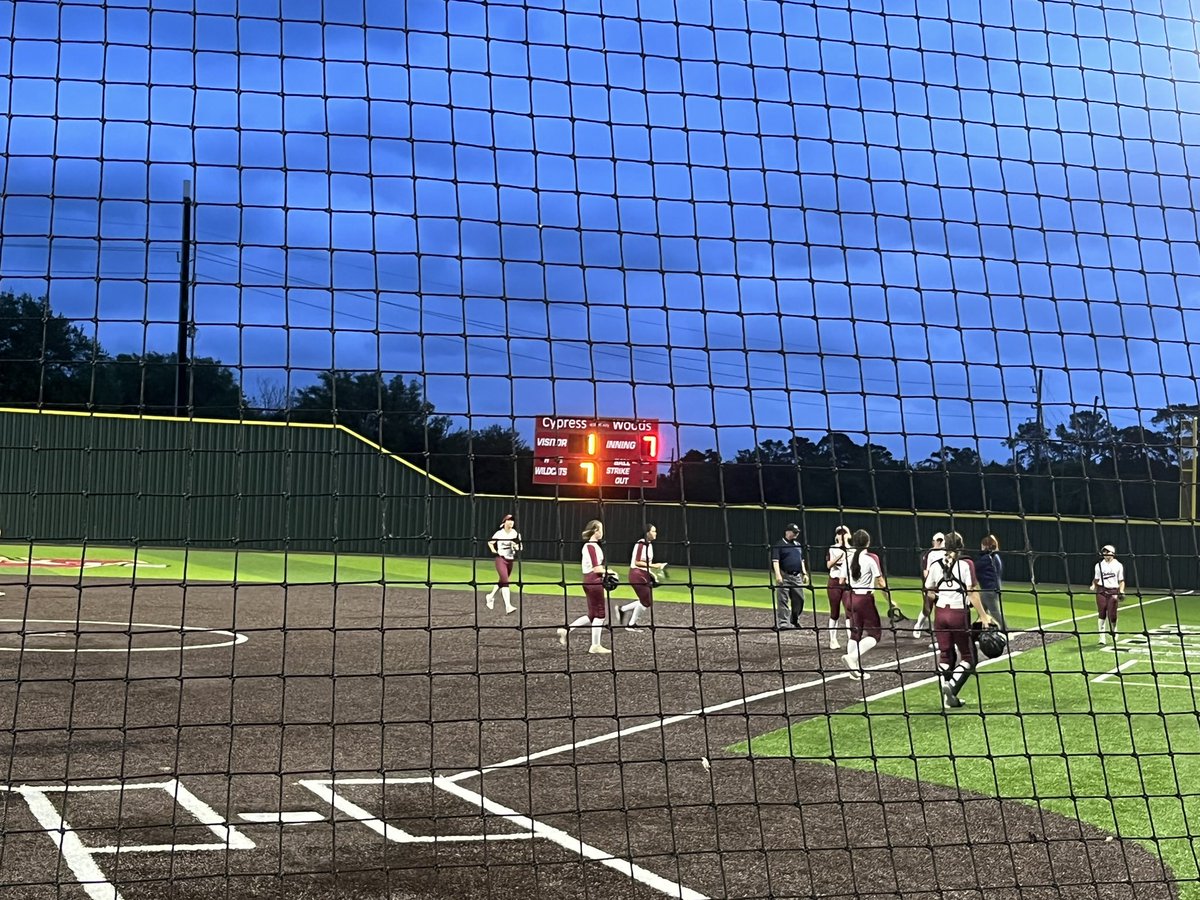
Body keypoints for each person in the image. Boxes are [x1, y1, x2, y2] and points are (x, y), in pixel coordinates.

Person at [924, 532, 995, 709]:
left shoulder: (934, 564)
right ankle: (952, 687)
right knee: (969, 657)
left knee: (945, 655)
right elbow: (971, 592)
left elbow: (930, 592)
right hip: (958, 614)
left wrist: (927, 612)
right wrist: (984, 617)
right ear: (961, 545)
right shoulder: (966, 564)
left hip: (940, 614)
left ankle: (947, 699)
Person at [557, 519, 613, 655]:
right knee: (600, 615)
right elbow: (596, 568)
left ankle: (566, 629)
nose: (602, 531)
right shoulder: (591, 546)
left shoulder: (592, 546)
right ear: (595, 530)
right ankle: (595, 645)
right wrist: (610, 572)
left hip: (589, 580)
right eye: (600, 529)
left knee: (592, 614)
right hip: (594, 581)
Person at [841, 529, 887, 680]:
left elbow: (842, 581)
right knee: (875, 634)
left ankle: (854, 671)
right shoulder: (870, 559)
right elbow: (880, 582)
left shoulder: (848, 558)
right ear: (868, 542)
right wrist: (890, 601)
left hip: (850, 598)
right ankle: (853, 657)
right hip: (864, 600)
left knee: (855, 634)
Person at [620, 524, 666, 631]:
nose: (656, 533)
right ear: (647, 533)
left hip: (642, 574)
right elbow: (637, 562)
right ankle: (631, 624)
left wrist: (652, 574)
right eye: (653, 531)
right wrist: (655, 566)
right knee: (646, 602)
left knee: (645, 601)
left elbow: (645, 563)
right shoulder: (641, 544)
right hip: (636, 574)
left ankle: (623, 609)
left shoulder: (649, 545)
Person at [770, 523, 808, 631]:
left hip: (797, 576)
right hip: (784, 575)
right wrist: (778, 575)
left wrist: (804, 573)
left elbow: (801, 560)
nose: (796, 534)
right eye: (794, 532)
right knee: (783, 600)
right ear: (787, 532)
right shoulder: (779, 545)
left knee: (799, 600)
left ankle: (794, 620)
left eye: (797, 532)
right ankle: (783, 623)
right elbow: (775, 561)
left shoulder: (798, 545)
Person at [912, 532, 946, 641]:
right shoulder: (930, 553)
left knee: (941, 609)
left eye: (934, 541)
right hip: (931, 585)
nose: (933, 543)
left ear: (939, 541)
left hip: (943, 586)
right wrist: (929, 586)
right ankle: (918, 626)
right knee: (927, 609)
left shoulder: (947, 552)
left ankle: (938, 630)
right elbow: (926, 571)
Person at [485, 514, 521, 615]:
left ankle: (490, 596)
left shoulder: (515, 533)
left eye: (512, 521)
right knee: (505, 582)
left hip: (510, 560)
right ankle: (508, 606)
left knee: (502, 581)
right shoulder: (499, 533)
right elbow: (490, 542)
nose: (511, 522)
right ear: (504, 522)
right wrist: (494, 551)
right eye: (509, 520)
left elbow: (519, 547)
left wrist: (516, 546)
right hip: (501, 559)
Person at [1092, 544, 1126, 647]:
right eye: (1104, 552)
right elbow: (1096, 579)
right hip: (1101, 590)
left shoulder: (1118, 565)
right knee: (1102, 612)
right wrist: (1093, 585)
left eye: (1108, 552)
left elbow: (1121, 581)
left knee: (1112, 614)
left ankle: (1114, 630)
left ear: (1113, 553)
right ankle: (1101, 636)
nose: (1105, 554)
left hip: (1113, 590)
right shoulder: (1099, 565)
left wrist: (1121, 590)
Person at [825, 525, 852, 649]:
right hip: (834, 583)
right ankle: (833, 640)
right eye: (839, 533)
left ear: (849, 535)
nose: (842, 535)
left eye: (844, 533)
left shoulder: (854, 550)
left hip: (848, 584)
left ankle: (852, 641)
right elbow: (829, 565)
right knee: (834, 612)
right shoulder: (832, 549)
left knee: (849, 612)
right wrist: (840, 556)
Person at [976, 534, 1005, 632]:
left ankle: (1005, 629)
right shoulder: (995, 556)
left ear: (985, 545)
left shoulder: (987, 558)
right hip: (991, 588)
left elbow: (976, 568)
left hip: (988, 589)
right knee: (981, 610)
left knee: (994, 612)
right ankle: (981, 628)